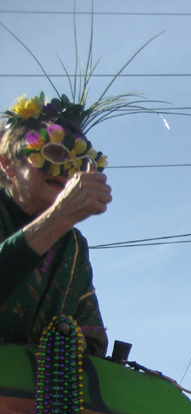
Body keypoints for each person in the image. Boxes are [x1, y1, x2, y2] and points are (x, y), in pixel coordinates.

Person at [0, 94, 112, 356]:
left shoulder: (72, 244)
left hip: (31, 391)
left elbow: (91, 334)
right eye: (53, 152)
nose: (64, 171)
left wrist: (77, 341)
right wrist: (59, 217)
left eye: (76, 162)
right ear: (7, 164)